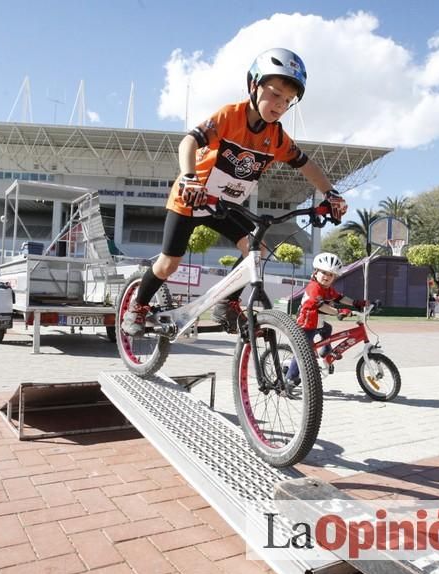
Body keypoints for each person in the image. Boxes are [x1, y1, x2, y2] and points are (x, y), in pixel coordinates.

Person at [122, 48, 348, 336]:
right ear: (254, 85)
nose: (280, 105)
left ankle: (227, 303)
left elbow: (306, 164)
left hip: (223, 206)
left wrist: (331, 194)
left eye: (288, 101)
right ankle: (138, 307)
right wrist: (190, 179)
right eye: (275, 94)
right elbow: (188, 142)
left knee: (257, 248)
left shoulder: (277, 137)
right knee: (168, 265)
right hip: (191, 199)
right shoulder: (231, 116)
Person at [284, 253, 366, 384]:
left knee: (327, 329)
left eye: (331, 274)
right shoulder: (314, 287)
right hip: (307, 324)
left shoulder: (327, 288)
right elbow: (320, 305)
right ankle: (290, 379)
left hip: (318, 322)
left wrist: (356, 302)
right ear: (315, 272)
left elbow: (339, 297)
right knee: (304, 353)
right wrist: (338, 312)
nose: (327, 276)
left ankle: (325, 352)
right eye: (324, 272)